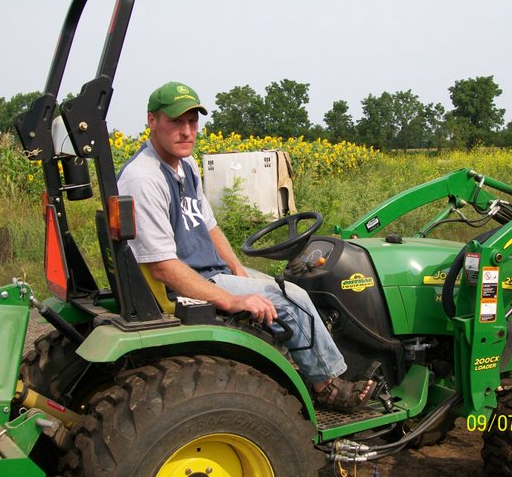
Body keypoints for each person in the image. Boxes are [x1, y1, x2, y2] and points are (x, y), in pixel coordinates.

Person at [117, 81, 374, 412]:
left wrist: (238, 271)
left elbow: (209, 226)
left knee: (285, 285)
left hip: (211, 273)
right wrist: (233, 298)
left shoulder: (187, 165)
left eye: (192, 122)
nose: (186, 131)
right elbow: (162, 266)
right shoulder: (144, 178)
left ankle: (303, 367)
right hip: (187, 285)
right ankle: (326, 386)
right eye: (176, 122)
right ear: (152, 121)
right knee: (292, 297)